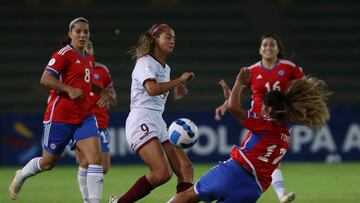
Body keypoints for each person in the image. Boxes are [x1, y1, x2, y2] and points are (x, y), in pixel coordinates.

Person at [169, 68, 331, 203]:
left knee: (187, 196)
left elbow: (233, 108)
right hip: (253, 190)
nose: (260, 110)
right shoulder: (286, 130)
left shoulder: (265, 124)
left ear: (268, 110)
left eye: (263, 107)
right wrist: (230, 96)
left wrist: (240, 82)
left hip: (232, 173)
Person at [9, 17, 105, 203]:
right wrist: (68, 89)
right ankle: (21, 175)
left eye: (86, 31)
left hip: (84, 116)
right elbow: (45, 79)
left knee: (95, 157)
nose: (83, 35)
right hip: (60, 117)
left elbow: (85, 83)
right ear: (70, 34)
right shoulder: (63, 54)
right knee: (47, 163)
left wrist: (103, 93)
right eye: (78, 31)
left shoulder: (88, 58)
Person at [108, 24, 195, 203]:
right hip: (141, 118)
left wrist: (175, 94)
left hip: (157, 119)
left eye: (174, 38)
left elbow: (158, 97)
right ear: (156, 39)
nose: (172, 41)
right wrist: (179, 80)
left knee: (185, 167)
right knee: (162, 173)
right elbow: (152, 89)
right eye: (168, 37)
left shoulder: (166, 68)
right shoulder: (145, 62)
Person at [214, 34, 304, 203]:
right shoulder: (252, 70)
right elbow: (238, 92)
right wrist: (225, 104)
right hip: (257, 119)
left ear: (278, 49)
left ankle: (230, 187)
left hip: (280, 120)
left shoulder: (289, 67)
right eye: (265, 45)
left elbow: (305, 87)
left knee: (265, 158)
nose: (268, 47)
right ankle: (278, 194)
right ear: (259, 49)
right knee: (264, 158)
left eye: (272, 45)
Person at [74, 40, 117, 203]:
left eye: (90, 47)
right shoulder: (75, 69)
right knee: (86, 161)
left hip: (101, 122)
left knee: (103, 167)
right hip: (81, 121)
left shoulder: (102, 70)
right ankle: (88, 200)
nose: (87, 49)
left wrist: (110, 98)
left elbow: (112, 93)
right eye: (84, 47)